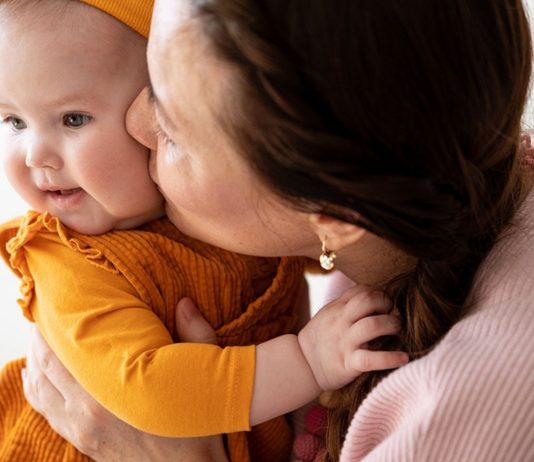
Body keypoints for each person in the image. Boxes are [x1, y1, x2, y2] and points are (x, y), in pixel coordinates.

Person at [18, 0, 534, 461]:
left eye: (172, 130)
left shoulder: (464, 414)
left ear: (331, 212)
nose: (135, 125)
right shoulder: (389, 226)